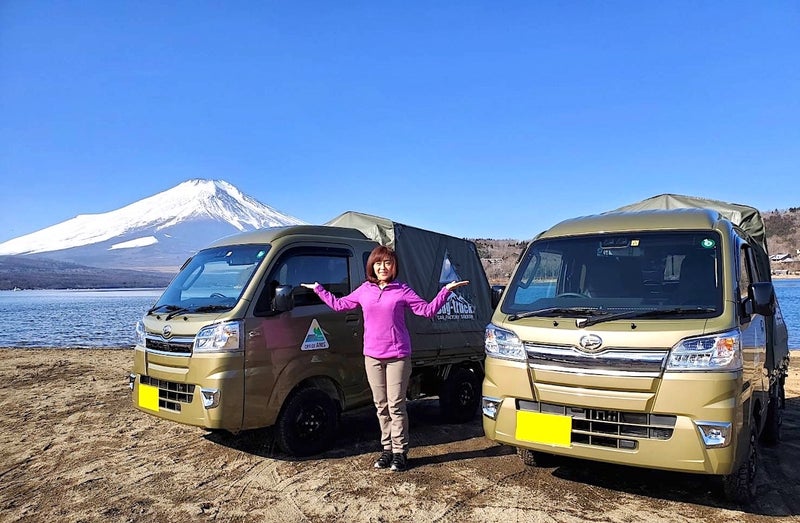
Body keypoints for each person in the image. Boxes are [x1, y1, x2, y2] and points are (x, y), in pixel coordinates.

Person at [301, 245, 468, 472]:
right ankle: (387, 449)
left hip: (398, 356)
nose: (382, 267)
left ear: (394, 266)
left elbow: (426, 311)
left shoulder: (402, 290)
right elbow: (340, 305)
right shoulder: (364, 290)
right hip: (372, 356)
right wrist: (319, 289)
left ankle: (400, 452)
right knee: (380, 406)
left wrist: (446, 290)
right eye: (378, 263)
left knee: (396, 405)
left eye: (387, 263)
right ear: (372, 266)